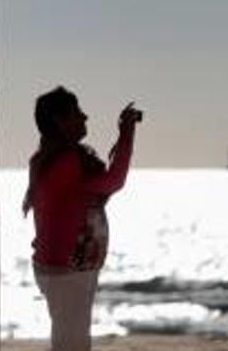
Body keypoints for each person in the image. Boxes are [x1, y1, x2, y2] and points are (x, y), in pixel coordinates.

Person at [24, 87, 142, 351]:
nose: (85, 117)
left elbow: (94, 192)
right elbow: (114, 180)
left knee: (70, 339)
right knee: (73, 343)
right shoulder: (66, 162)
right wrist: (126, 135)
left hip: (63, 267)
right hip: (67, 270)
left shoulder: (49, 159)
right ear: (59, 121)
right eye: (77, 113)